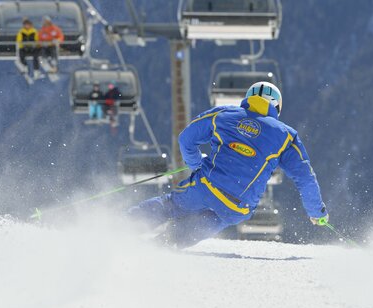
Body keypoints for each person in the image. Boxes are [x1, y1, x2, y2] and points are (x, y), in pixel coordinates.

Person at [127, 81, 328, 248]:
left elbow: (186, 139)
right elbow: (305, 178)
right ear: (277, 107)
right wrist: (316, 212)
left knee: (171, 205)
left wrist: (197, 164)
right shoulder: (286, 136)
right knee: (209, 222)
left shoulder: (223, 115)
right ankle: (164, 246)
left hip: (207, 186)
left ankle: (122, 227)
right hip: (238, 206)